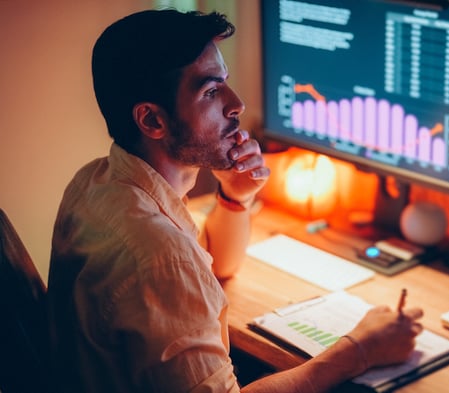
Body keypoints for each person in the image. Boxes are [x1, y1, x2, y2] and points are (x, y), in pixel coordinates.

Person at [46, 8, 424, 393]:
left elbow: (217, 267)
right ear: (152, 121)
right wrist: (357, 351)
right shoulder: (161, 255)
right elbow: (174, 267)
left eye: (224, 83)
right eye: (210, 92)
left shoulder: (96, 182)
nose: (236, 103)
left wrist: (234, 198)